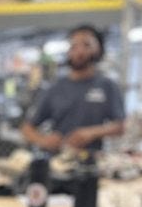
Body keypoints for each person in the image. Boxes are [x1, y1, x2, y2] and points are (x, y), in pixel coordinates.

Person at [21, 23, 126, 154]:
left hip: (92, 158)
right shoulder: (55, 88)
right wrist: (44, 141)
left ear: (98, 50)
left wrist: (91, 133)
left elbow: (119, 126)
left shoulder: (107, 86)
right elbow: (27, 128)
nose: (79, 51)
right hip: (59, 160)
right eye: (74, 45)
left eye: (86, 45)